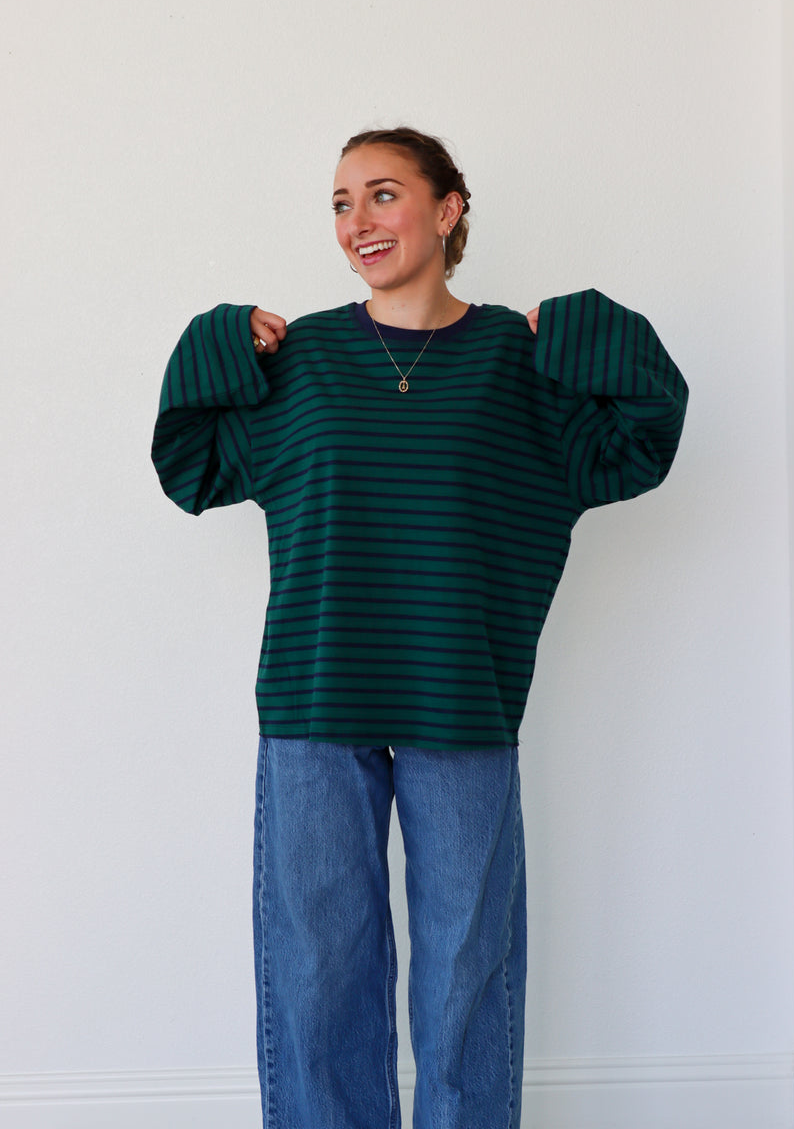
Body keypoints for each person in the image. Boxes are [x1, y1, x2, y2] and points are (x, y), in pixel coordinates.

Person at [151, 126, 688, 1129]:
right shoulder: (302, 358)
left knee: (464, 971)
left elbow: (641, 436)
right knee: (318, 973)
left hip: (462, 698)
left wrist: (580, 328)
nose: (358, 221)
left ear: (446, 210)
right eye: (341, 203)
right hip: (314, 699)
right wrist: (218, 341)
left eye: (383, 195)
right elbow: (190, 465)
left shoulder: (518, 365)